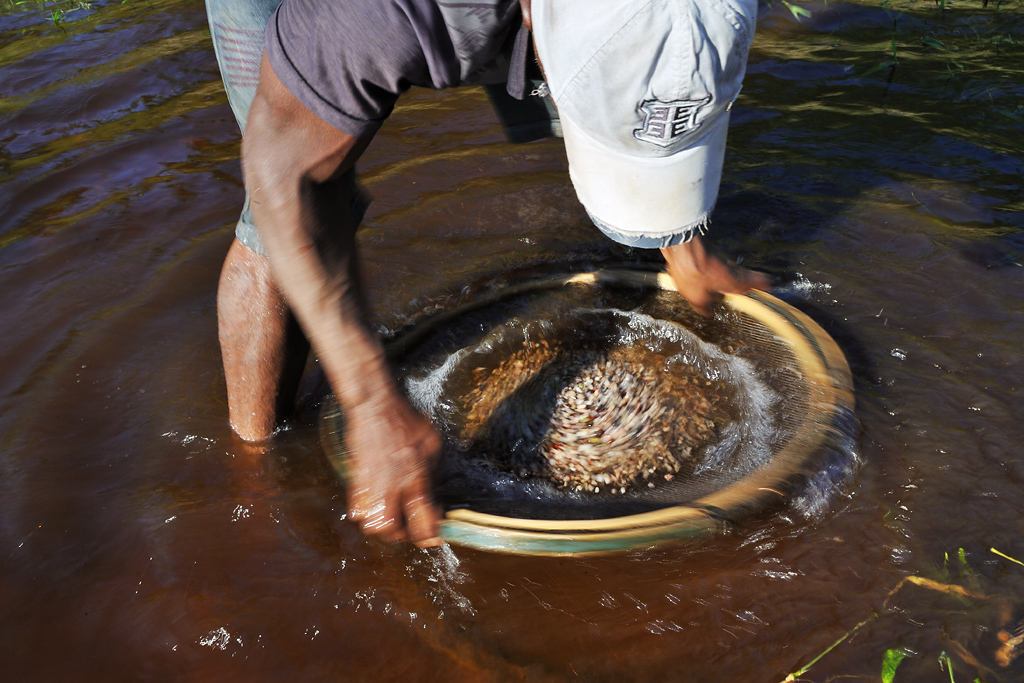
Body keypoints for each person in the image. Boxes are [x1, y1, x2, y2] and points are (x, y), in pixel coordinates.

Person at [207, 0, 770, 547]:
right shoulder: (385, 14)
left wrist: (682, 246)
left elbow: (659, 70)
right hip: (351, 22)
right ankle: (254, 488)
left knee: (597, 94)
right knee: (290, 216)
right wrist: (370, 404)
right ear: (531, 14)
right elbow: (280, 171)